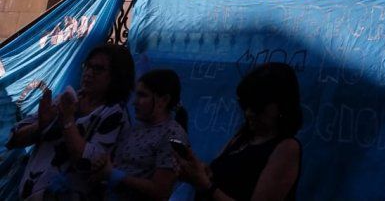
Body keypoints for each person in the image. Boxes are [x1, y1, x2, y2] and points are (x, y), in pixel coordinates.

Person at [7, 43, 134, 199]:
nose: (88, 73)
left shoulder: (115, 114)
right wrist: (40, 126)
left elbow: (87, 163)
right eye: (87, 66)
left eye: (98, 69)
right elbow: (14, 138)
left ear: (117, 76)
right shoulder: (67, 98)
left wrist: (67, 121)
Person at [173, 63, 302, 201]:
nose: (249, 113)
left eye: (257, 107)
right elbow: (217, 175)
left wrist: (207, 186)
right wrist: (198, 172)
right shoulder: (243, 137)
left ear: (282, 106)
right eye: (245, 105)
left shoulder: (287, 148)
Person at [94, 69, 189, 200]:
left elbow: (161, 191)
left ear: (164, 100)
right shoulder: (135, 129)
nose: (135, 102)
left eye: (143, 95)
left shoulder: (172, 135)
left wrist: (118, 176)